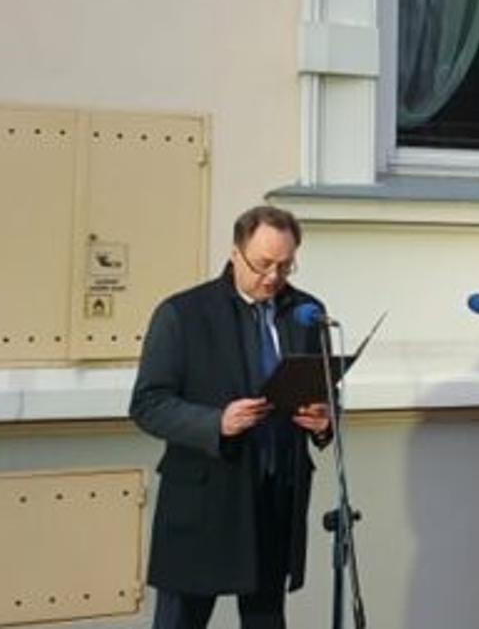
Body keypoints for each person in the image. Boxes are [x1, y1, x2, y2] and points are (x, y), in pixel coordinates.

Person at [129, 205, 332, 629]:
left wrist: (325, 419)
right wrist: (216, 422)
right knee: (182, 619)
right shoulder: (184, 313)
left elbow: (323, 388)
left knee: (265, 619)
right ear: (236, 253)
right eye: (262, 264)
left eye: (285, 265)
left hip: (275, 497)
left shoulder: (307, 312)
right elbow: (148, 404)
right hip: (205, 497)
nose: (274, 277)